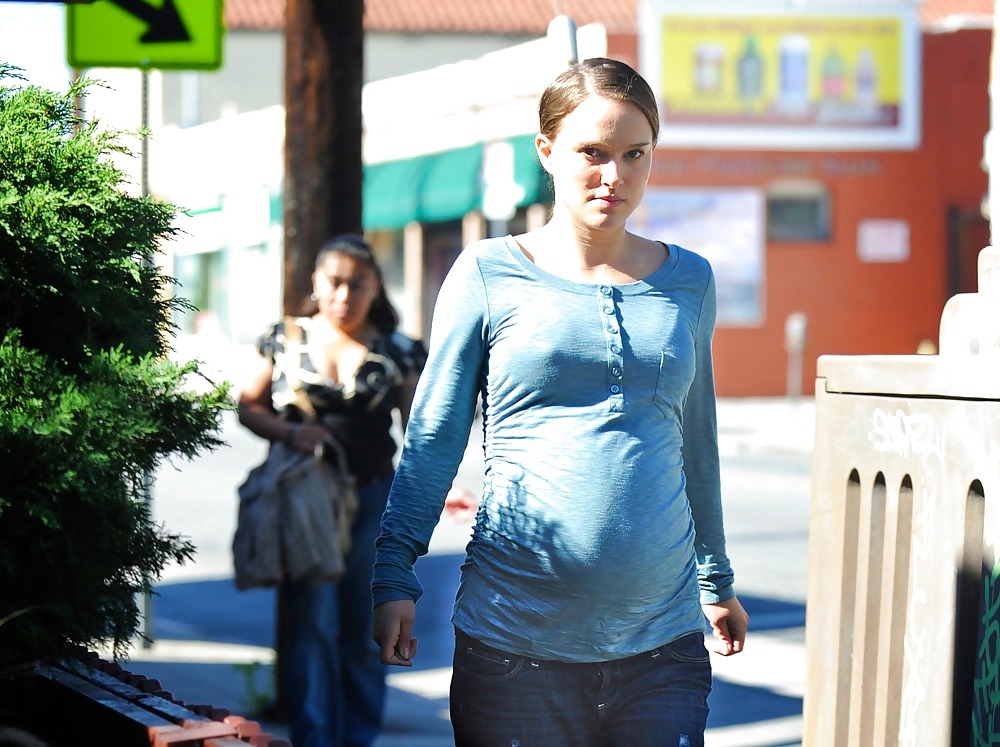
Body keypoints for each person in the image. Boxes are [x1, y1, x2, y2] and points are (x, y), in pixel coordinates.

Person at [371, 57, 749, 746]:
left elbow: (697, 438)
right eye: (593, 153)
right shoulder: (487, 272)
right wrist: (395, 572)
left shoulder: (689, 279)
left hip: (661, 648)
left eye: (634, 154)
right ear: (546, 151)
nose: (614, 175)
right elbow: (433, 437)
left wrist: (715, 578)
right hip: (514, 647)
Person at [238, 233, 426, 747]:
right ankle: (314, 739)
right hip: (305, 500)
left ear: (375, 288)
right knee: (311, 625)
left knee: (369, 626)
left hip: (375, 500)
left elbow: (421, 429)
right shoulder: (284, 337)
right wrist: (291, 432)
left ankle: (358, 738)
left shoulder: (400, 349)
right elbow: (247, 405)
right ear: (317, 283)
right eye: (335, 282)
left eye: (358, 284)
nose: (345, 294)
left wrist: (436, 487)